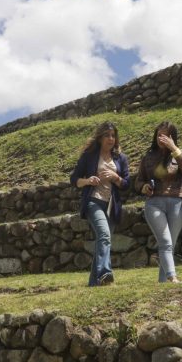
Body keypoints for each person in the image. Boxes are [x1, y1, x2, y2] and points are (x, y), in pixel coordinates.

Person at [70, 122, 130, 286]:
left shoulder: (121, 158)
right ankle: (105, 274)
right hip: (93, 201)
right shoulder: (89, 156)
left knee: (103, 241)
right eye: (107, 135)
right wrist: (88, 180)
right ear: (100, 137)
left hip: (111, 205)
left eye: (113, 135)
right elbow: (74, 180)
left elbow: (126, 184)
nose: (111, 139)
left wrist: (115, 177)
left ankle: (94, 283)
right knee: (104, 235)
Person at [135, 121, 182, 283]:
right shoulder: (148, 157)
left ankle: (163, 284)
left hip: (177, 203)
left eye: (166, 135)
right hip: (154, 203)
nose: (162, 138)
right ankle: (172, 278)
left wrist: (174, 149)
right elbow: (138, 181)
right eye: (159, 134)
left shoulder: (181, 153)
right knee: (166, 242)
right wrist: (144, 186)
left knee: (168, 246)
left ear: (173, 137)